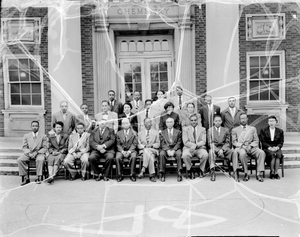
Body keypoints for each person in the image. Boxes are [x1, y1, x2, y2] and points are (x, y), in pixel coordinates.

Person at [232, 113, 266, 182]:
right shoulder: (235, 130)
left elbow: (256, 140)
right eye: (242, 119)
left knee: (261, 152)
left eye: (245, 118)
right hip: (241, 148)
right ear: (239, 120)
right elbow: (234, 142)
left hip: (251, 147)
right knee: (242, 154)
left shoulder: (252, 129)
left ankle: (258, 173)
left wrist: (250, 146)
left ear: (247, 119)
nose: (243, 120)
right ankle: (246, 173)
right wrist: (243, 146)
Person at [17, 121, 48, 186]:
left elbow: (45, 147)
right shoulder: (26, 136)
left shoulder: (43, 136)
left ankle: (39, 176)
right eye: (33, 126)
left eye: (36, 126)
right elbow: (24, 147)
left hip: (39, 153)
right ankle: (25, 177)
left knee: (40, 160)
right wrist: (29, 153)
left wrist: (37, 152)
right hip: (29, 153)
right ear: (31, 127)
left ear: (39, 127)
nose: (35, 127)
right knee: (20, 160)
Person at [208, 115, 238, 182]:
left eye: (219, 121)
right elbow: (210, 143)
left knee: (234, 152)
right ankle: (212, 172)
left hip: (224, 148)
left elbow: (228, 142)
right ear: (213, 122)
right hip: (215, 149)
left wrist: (222, 149)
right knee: (210, 152)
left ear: (221, 121)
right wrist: (218, 150)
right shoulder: (210, 130)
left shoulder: (226, 130)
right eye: (216, 121)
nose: (217, 122)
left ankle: (235, 171)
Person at [182, 114, 208, 179]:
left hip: (199, 148)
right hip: (188, 148)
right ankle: (190, 169)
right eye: (192, 120)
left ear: (197, 121)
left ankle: (201, 170)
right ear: (190, 121)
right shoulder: (185, 129)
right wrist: (192, 146)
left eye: (195, 120)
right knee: (185, 155)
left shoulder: (202, 129)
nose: (193, 122)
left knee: (205, 154)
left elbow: (203, 141)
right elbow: (185, 142)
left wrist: (195, 145)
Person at [260, 115, 284, 179]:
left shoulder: (280, 131)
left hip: (276, 147)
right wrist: (270, 148)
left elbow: (281, 142)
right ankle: (272, 172)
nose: (271, 123)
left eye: (273, 121)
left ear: (276, 122)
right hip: (267, 148)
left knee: (278, 154)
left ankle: (276, 173)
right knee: (272, 154)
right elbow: (263, 141)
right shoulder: (263, 130)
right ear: (268, 122)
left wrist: (277, 147)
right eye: (270, 121)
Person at [159, 117, 183, 182]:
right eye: (168, 122)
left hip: (175, 148)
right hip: (166, 148)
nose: (169, 124)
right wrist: (167, 150)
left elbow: (179, 142)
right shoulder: (162, 132)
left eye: (171, 122)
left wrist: (174, 150)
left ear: (173, 123)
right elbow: (162, 143)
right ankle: (162, 172)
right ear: (166, 124)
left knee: (179, 154)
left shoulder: (178, 132)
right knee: (161, 154)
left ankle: (179, 172)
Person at [137, 118, 160, 182]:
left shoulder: (156, 132)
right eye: (147, 123)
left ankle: (143, 169)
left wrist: (152, 145)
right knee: (150, 155)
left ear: (152, 124)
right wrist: (144, 146)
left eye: (150, 122)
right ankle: (152, 175)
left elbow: (158, 144)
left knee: (147, 151)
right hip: (144, 151)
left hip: (153, 150)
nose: (149, 124)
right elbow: (138, 145)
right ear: (144, 124)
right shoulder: (140, 133)